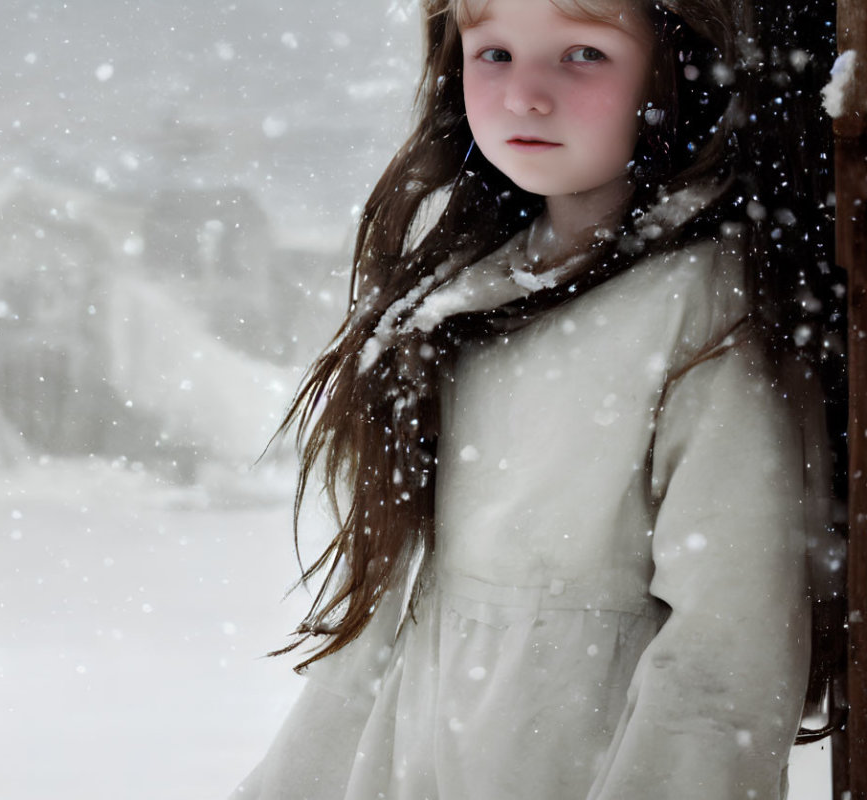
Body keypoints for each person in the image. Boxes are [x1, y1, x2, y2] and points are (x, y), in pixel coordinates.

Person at [231, 0, 841, 797]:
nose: (526, 95)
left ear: (678, 68)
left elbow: (725, 660)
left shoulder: (701, 309)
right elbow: (384, 636)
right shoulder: (462, 299)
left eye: (583, 54)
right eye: (494, 55)